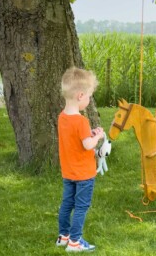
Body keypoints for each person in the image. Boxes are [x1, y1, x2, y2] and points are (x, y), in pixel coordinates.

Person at [55, 67, 104, 252]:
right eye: (89, 96)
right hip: (84, 174)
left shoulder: (62, 117)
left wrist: (88, 135)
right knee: (81, 207)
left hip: (68, 172)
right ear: (80, 95)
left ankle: (63, 236)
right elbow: (87, 146)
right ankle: (75, 243)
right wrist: (97, 137)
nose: (89, 99)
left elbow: (76, 140)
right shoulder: (81, 120)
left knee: (67, 203)